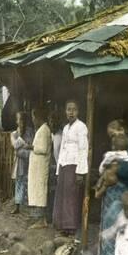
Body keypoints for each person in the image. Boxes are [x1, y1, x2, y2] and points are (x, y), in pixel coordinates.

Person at [99, 119, 128, 255]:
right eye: (110, 136)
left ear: (122, 129)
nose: (113, 138)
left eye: (113, 134)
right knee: (108, 221)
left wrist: (113, 172)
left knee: (117, 222)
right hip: (112, 190)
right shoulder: (116, 147)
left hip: (121, 190)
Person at [52, 100, 88, 236]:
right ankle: (61, 225)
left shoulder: (81, 127)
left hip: (74, 165)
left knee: (71, 196)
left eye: (74, 109)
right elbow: (62, 148)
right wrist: (58, 169)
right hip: (64, 164)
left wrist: (80, 172)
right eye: (68, 109)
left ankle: (70, 227)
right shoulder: (66, 128)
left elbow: (83, 149)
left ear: (78, 112)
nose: (71, 112)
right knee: (62, 195)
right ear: (65, 111)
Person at [100, 191, 128, 255]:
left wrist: (125, 231)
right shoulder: (121, 215)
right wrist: (105, 234)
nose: (127, 212)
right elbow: (115, 227)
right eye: (125, 209)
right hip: (120, 246)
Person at [28, 107, 52, 228]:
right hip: (38, 167)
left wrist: (30, 147)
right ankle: (40, 219)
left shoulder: (44, 130)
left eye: (33, 117)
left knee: (40, 192)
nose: (32, 120)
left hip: (40, 167)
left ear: (38, 117)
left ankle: (42, 221)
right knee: (38, 191)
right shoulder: (42, 129)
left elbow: (42, 149)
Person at [10, 111, 34, 214]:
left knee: (28, 181)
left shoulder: (30, 132)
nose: (20, 122)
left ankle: (29, 205)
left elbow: (32, 146)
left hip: (30, 161)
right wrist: (22, 141)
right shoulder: (14, 133)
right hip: (20, 163)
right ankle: (17, 206)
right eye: (18, 119)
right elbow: (15, 146)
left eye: (22, 119)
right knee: (19, 182)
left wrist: (23, 149)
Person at [94, 133, 128, 199]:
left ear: (113, 146)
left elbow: (104, 163)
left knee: (106, 180)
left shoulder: (111, 154)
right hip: (118, 180)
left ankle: (98, 193)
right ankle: (100, 185)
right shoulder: (127, 155)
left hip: (110, 177)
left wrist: (101, 171)